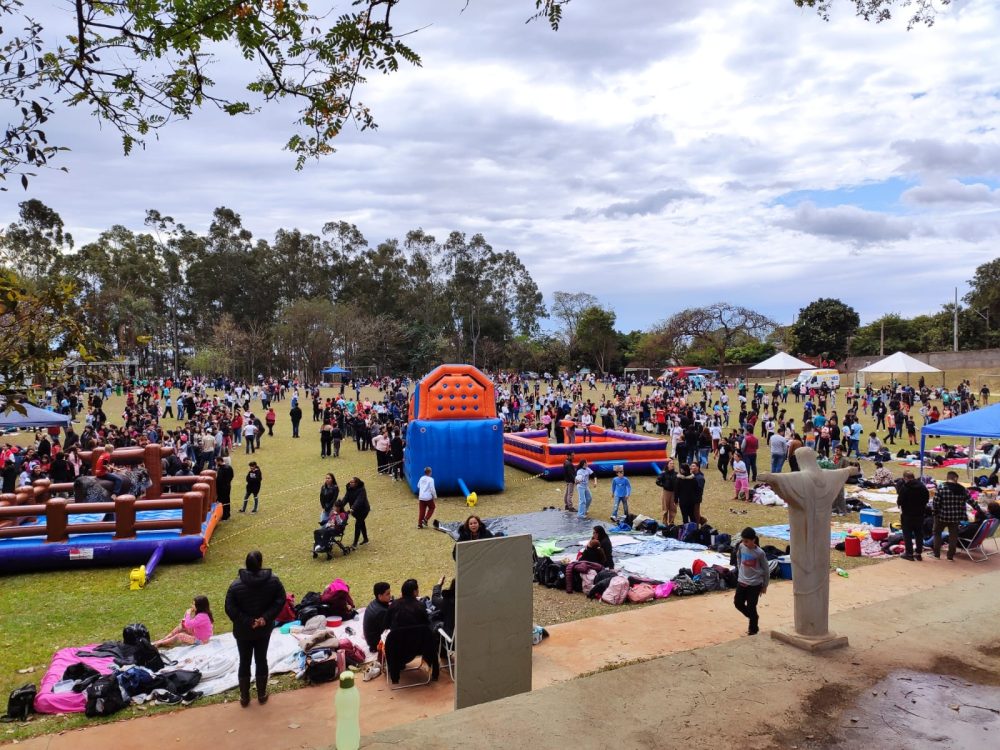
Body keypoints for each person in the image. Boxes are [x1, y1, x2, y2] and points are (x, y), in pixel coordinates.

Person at [225, 550, 286, 707]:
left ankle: (245, 698)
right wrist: (264, 619)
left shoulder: (235, 585)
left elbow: (230, 609)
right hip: (263, 630)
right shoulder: (273, 581)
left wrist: (248, 621)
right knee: (261, 659)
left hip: (243, 631)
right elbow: (280, 600)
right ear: (261, 563)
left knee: (244, 661)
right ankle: (262, 694)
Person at [384, 578, 439, 682]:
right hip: (418, 646)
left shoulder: (393, 605)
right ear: (414, 592)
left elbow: (386, 625)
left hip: (397, 648)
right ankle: (434, 675)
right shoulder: (420, 606)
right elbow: (427, 624)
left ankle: (395, 674)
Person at [733, 527, 768, 636]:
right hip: (742, 581)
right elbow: (738, 558)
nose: (744, 543)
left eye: (747, 541)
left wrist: (765, 585)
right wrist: (740, 571)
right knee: (738, 603)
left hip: (755, 584)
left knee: (751, 606)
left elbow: (766, 570)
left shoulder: (760, 553)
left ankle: (753, 629)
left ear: (753, 540)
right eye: (743, 540)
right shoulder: (741, 546)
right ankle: (754, 617)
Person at [933, 471, 972, 561]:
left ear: (948, 478)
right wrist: (979, 510)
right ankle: (950, 556)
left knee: (937, 534)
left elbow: (936, 503)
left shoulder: (941, 488)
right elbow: (971, 501)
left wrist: (935, 513)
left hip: (942, 516)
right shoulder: (962, 489)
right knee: (953, 536)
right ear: (955, 478)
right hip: (956, 517)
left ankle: (936, 554)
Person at [896, 470, 930, 560]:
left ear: (905, 478)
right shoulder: (922, 487)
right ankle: (918, 553)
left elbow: (900, 501)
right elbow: (927, 498)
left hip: (907, 514)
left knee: (907, 534)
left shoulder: (905, 487)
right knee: (919, 534)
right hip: (920, 514)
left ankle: (909, 553)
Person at [363, 582, 392, 652]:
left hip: (371, 639)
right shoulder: (381, 612)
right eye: (387, 594)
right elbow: (389, 630)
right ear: (380, 596)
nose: (390, 596)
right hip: (376, 644)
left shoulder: (375, 602)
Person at [343, 476, 370, 548]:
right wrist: (339, 506)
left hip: (363, 510)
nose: (350, 483)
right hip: (355, 511)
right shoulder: (349, 489)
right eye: (350, 482)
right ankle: (366, 539)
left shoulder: (362, 490)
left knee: (358, 524)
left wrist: (352, 508)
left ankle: (355, 543)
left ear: (357, 483)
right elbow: (346, 498)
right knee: (361, 523)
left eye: (352, 482)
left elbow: (359, 500)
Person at [657, 458, 677, 525]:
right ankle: (664, 523)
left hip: (674, 493)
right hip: (666, 492)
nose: (672, 465)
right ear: (667, 465)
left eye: (673, 463)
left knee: (673, 508)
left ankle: (671, 523)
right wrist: (664, 485)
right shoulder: (663, 473)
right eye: (671, 463)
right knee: (665, 508)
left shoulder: (676, 474)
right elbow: (657, 481)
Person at [216, 456, 234, 521]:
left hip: (222, 488)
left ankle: (224, 515)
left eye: (217, 462)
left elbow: (219, 480)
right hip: (227, 486)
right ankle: (227, 514)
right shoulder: (229, 467)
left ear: (219, 461)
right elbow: (232, 475)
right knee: (227, 500)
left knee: (223, 501)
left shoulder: (222, 469)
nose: (216, 463)